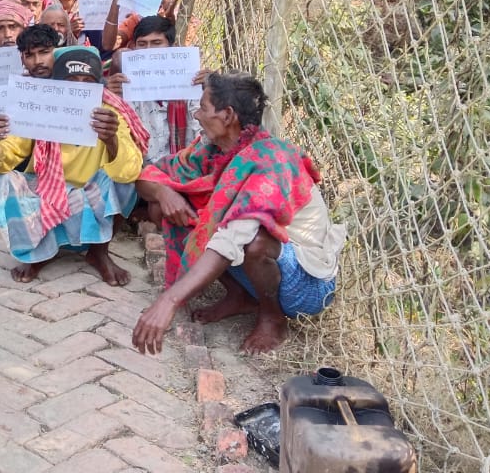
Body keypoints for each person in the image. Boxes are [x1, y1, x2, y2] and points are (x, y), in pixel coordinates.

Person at [133, 71, 345, 356]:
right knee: (173, 205)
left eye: (204, 108)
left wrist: (168, 301)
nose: (196, 115)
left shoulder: (272, 160)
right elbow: (149, 175)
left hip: (306, 286)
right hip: (265, 263)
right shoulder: (213, 150)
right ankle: (241, 296)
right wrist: (163, 193)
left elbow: (233, 239)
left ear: (227, 115)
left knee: (254, 240)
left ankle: (273, 319)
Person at [0, 34, 140, 284]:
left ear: (99, 86)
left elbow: (128, 170)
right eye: (70, 81)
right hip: (45, 191)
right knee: (0, 179)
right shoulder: (39, 110)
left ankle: (98, 252)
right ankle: (38, 253)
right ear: (55, 84)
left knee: (126, 182)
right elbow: (4, 158)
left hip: (90, 193)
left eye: (88, 82)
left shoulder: (109, 114)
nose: (78, 88)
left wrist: (111, 140)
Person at [109, 14, 201, 159]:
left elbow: (202, 134)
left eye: (157, 43)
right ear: (134, 47)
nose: (149, 50)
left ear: (172, 47)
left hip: (183, 167)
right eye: (142, 44)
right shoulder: (125, 85)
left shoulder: (189, 83)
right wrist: (110, 96)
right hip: (140, 170)